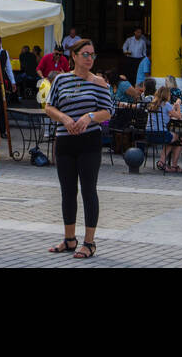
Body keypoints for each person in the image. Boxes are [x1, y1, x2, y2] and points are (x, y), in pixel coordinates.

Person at [43, 38, 111, 259]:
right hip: (65, 141)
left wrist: (89, 116)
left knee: (89, 190)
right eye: (85, 54)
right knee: (67, 191)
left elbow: (107, 112)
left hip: (89, 142)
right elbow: (49, 107)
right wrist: (63, 118)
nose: (90, 58)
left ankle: (89, 242)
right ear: (74, 56)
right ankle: (69, 239)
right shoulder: (61, 80)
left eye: (92, 55)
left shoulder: (99, 82)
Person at [148, 85, 182, 172]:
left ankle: (164, 162)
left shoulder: (153, 104)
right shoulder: (166, 104)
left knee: (172, 139)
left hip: (149, 133)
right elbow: (179, 116)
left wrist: (171, 112)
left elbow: (165, 114)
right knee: (178, 138)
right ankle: (167, 163)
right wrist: (178, 106)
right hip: (160, 134)